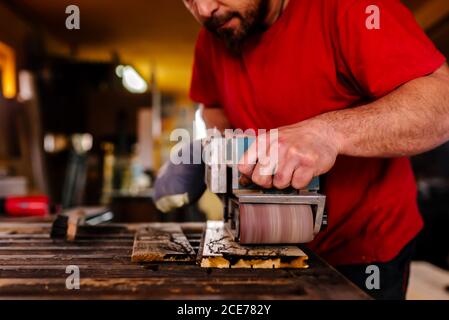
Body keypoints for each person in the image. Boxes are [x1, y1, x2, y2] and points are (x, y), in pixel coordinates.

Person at [154, 0, 449, 299]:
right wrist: (218, 152)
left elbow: (442, 107)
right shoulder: (214, 35)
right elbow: (213, 107)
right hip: (266, 243)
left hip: (362, 249)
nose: (204, 10)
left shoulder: (351, 7)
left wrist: (327, 133)